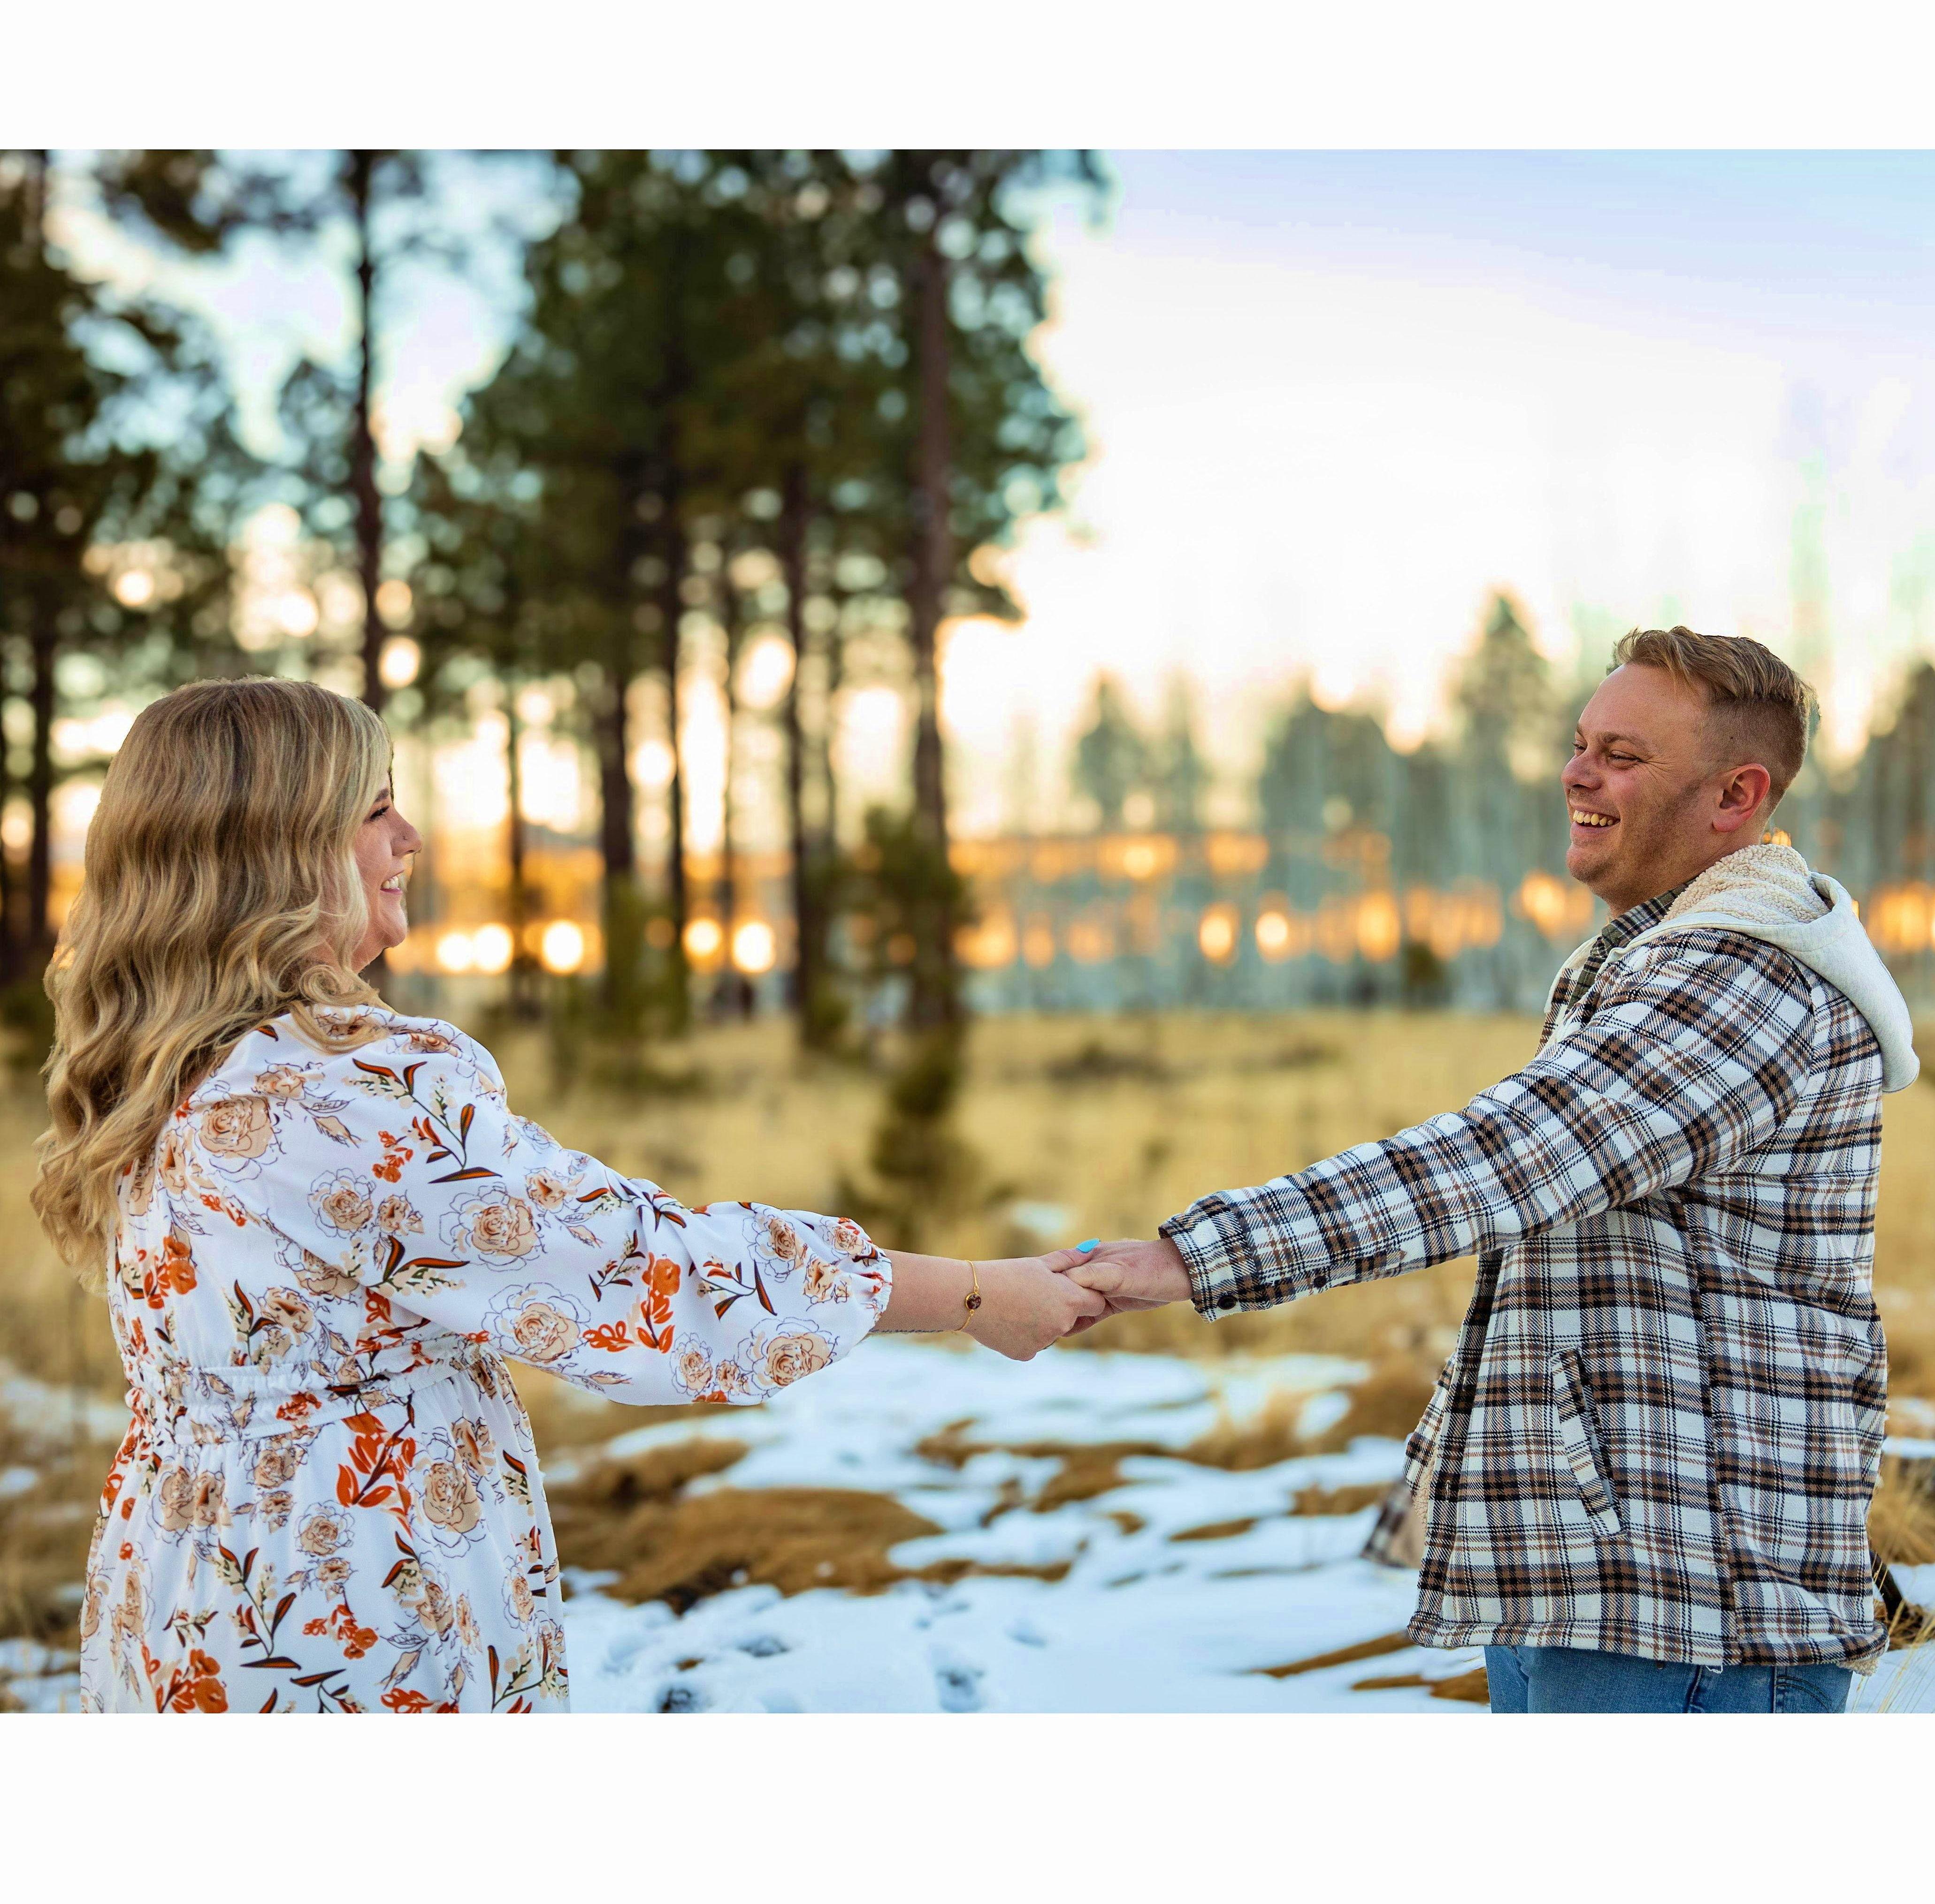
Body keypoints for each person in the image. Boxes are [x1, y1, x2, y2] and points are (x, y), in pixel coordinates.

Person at [35, 677, 1100, 1714]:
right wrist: (972, 1294)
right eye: (373, 809)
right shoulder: (339, 1090)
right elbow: (634, 1272)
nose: (410, 838)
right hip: (348, 1601)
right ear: (274, 847)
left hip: (180, 1581)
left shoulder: (165, 1076)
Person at [1065, 628, 1919, 1714]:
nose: (1576, 773)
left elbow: (1503, 1158)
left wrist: (1189, 1258)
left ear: (1734, 795)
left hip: (1691, 1610)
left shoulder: (1742, 984)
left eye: (1622, 755)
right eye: (1580, 744)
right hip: (1602, 1579)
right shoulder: (1662, 960)